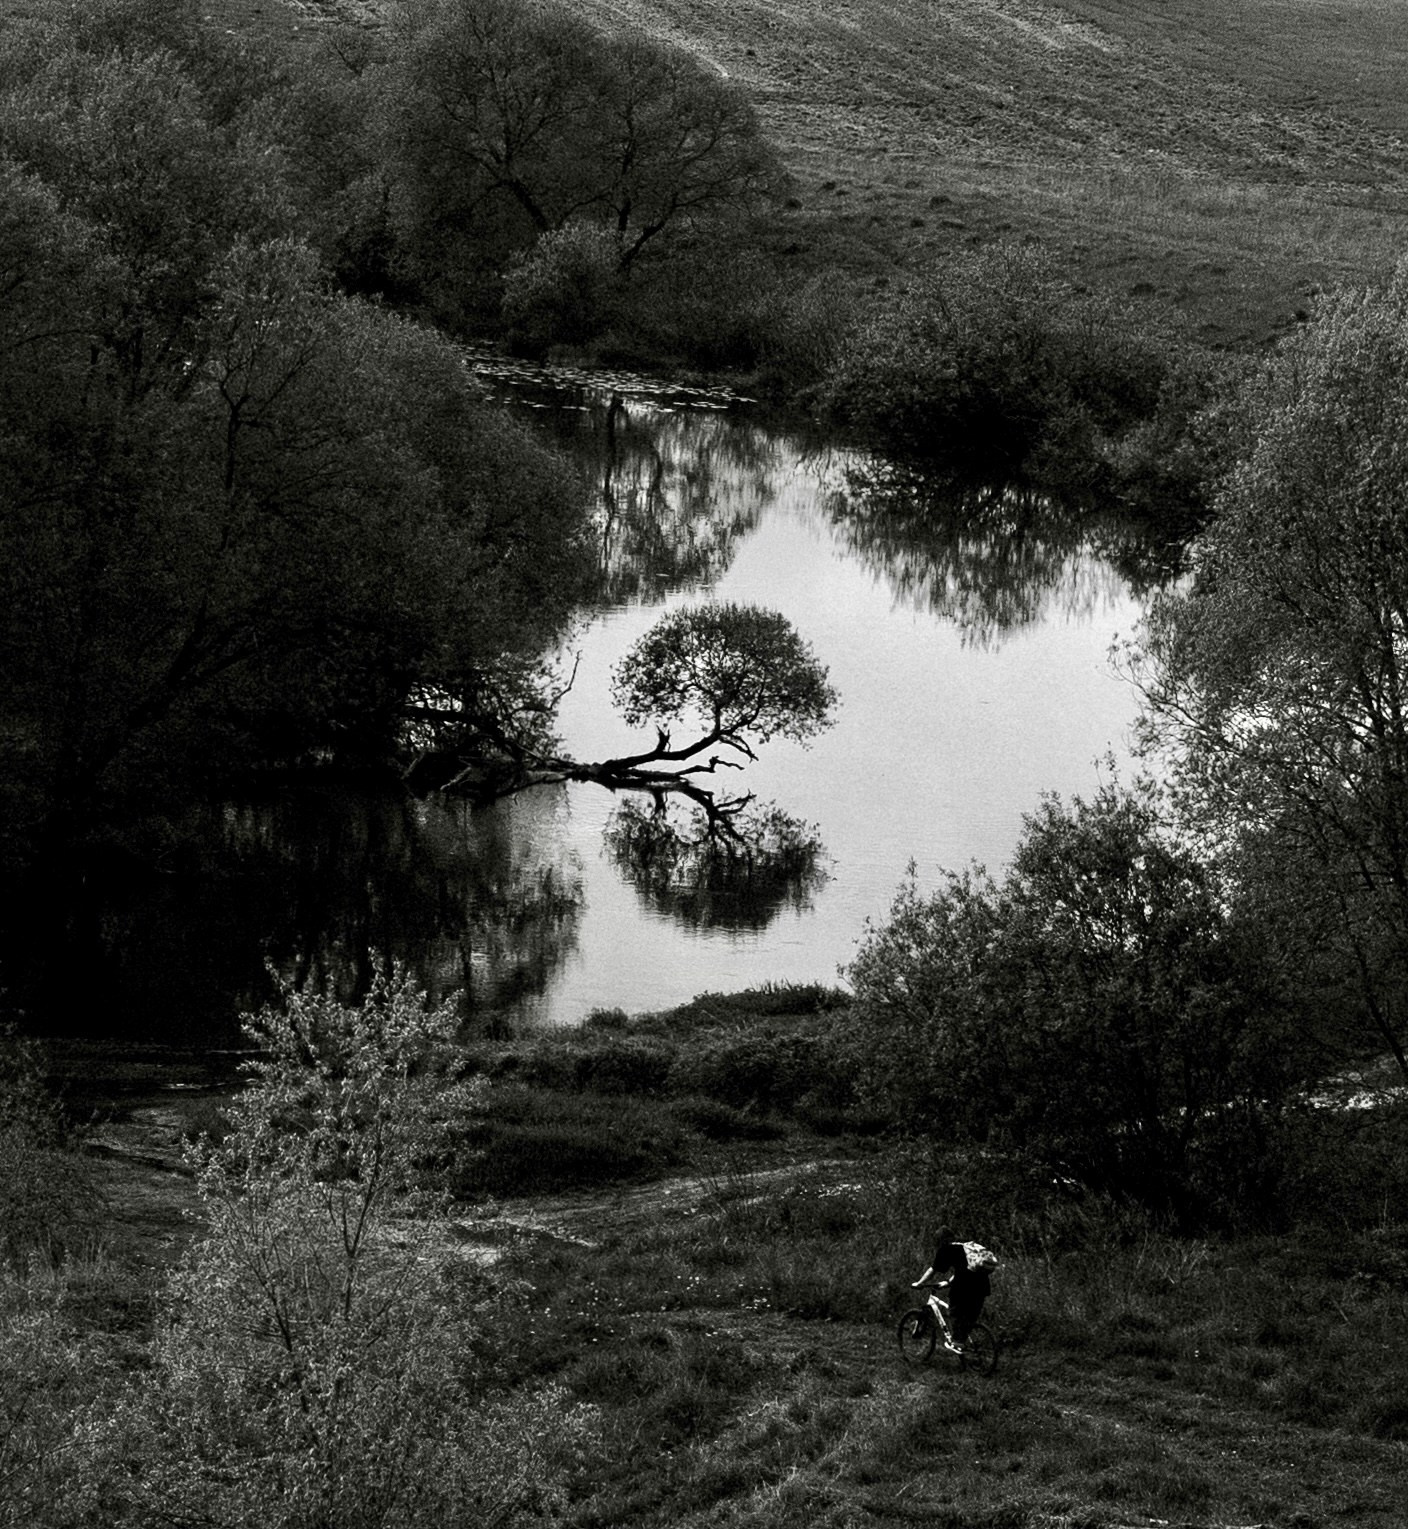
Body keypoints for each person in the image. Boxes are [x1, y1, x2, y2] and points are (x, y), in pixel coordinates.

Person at [912, 1226, 991, 1349]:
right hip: (983, 1286)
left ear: (940, 1241)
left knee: (954, 1312)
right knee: (969, 1317)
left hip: (965, 1287)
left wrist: (920, 1283)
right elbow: (965, 1270)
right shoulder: (965, 1247)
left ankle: (957, 1342)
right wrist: (948, 1282)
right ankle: (967, 1344)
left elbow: (933, 1270)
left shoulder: (946, 1249)